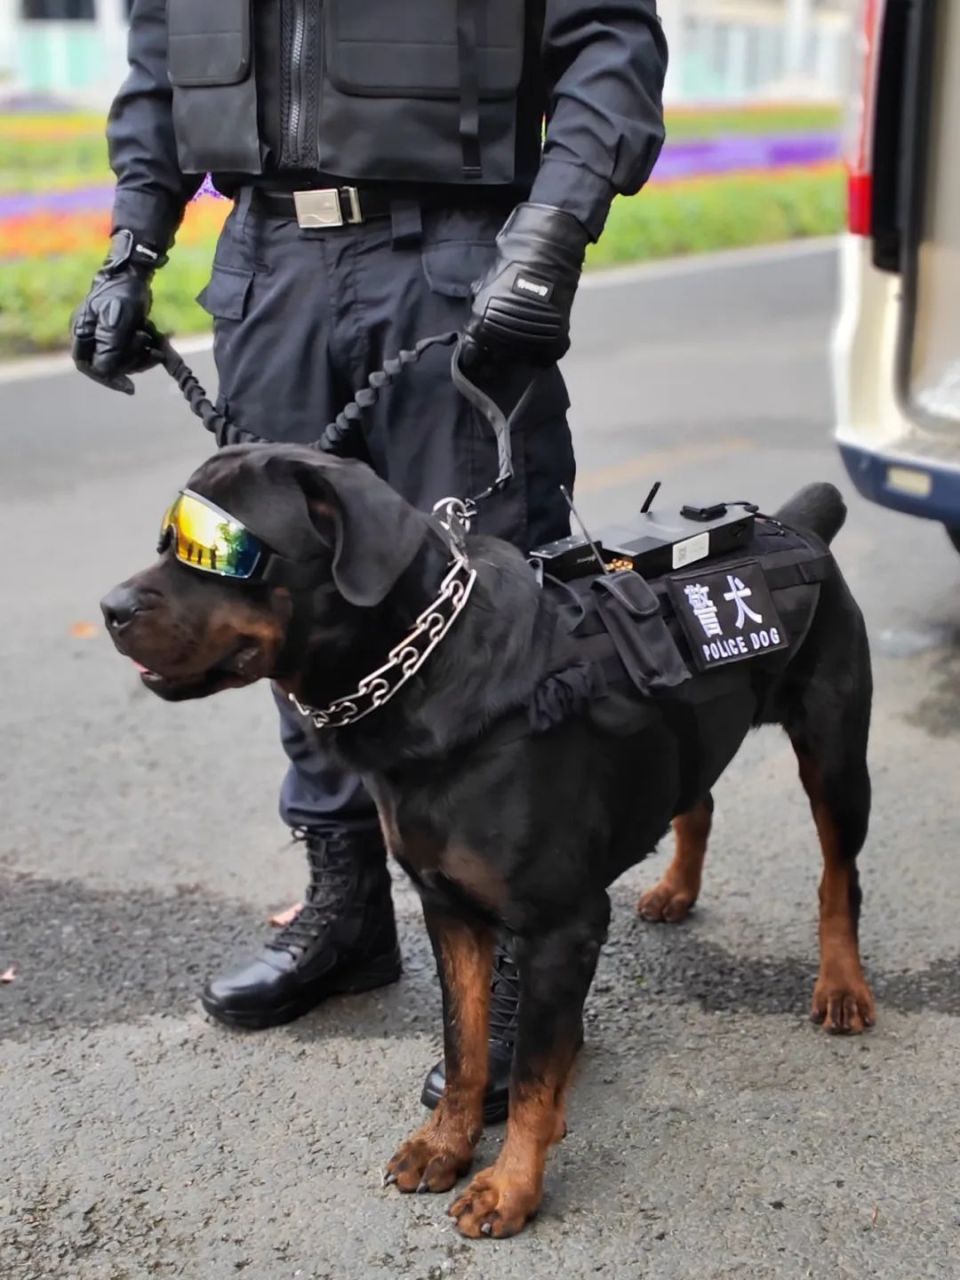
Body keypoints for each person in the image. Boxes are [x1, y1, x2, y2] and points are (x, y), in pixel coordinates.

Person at [73, 0, 667, 1120]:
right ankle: (346, 914)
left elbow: (608, 39)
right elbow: (161, 58)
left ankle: (534, 978)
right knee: (281, 606)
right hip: (266, 265)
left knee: (496, 616)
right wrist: (132, 240)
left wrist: (549, 233)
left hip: (453, 252)